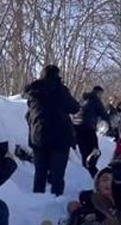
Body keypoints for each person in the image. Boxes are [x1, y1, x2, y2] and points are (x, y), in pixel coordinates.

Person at [24, 65, 80, 196]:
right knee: (57, 177)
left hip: (38, 137)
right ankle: (56, 201)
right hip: (60, 138)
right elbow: (74, 107)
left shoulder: (33, 91)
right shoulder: (60, 90)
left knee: (40, 175)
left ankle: (37, 202)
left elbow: (29, 115)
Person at [76, 85, 111, 177]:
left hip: (78, 128)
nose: (101, 96)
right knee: (96, 151)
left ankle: (85, 172)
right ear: (98, 92)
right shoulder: (95, 100)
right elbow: (104, 114)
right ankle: (92, 170)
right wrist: (109, 123)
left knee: (84, 152)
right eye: (101, 94)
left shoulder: (83, 99)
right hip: (88, 128)